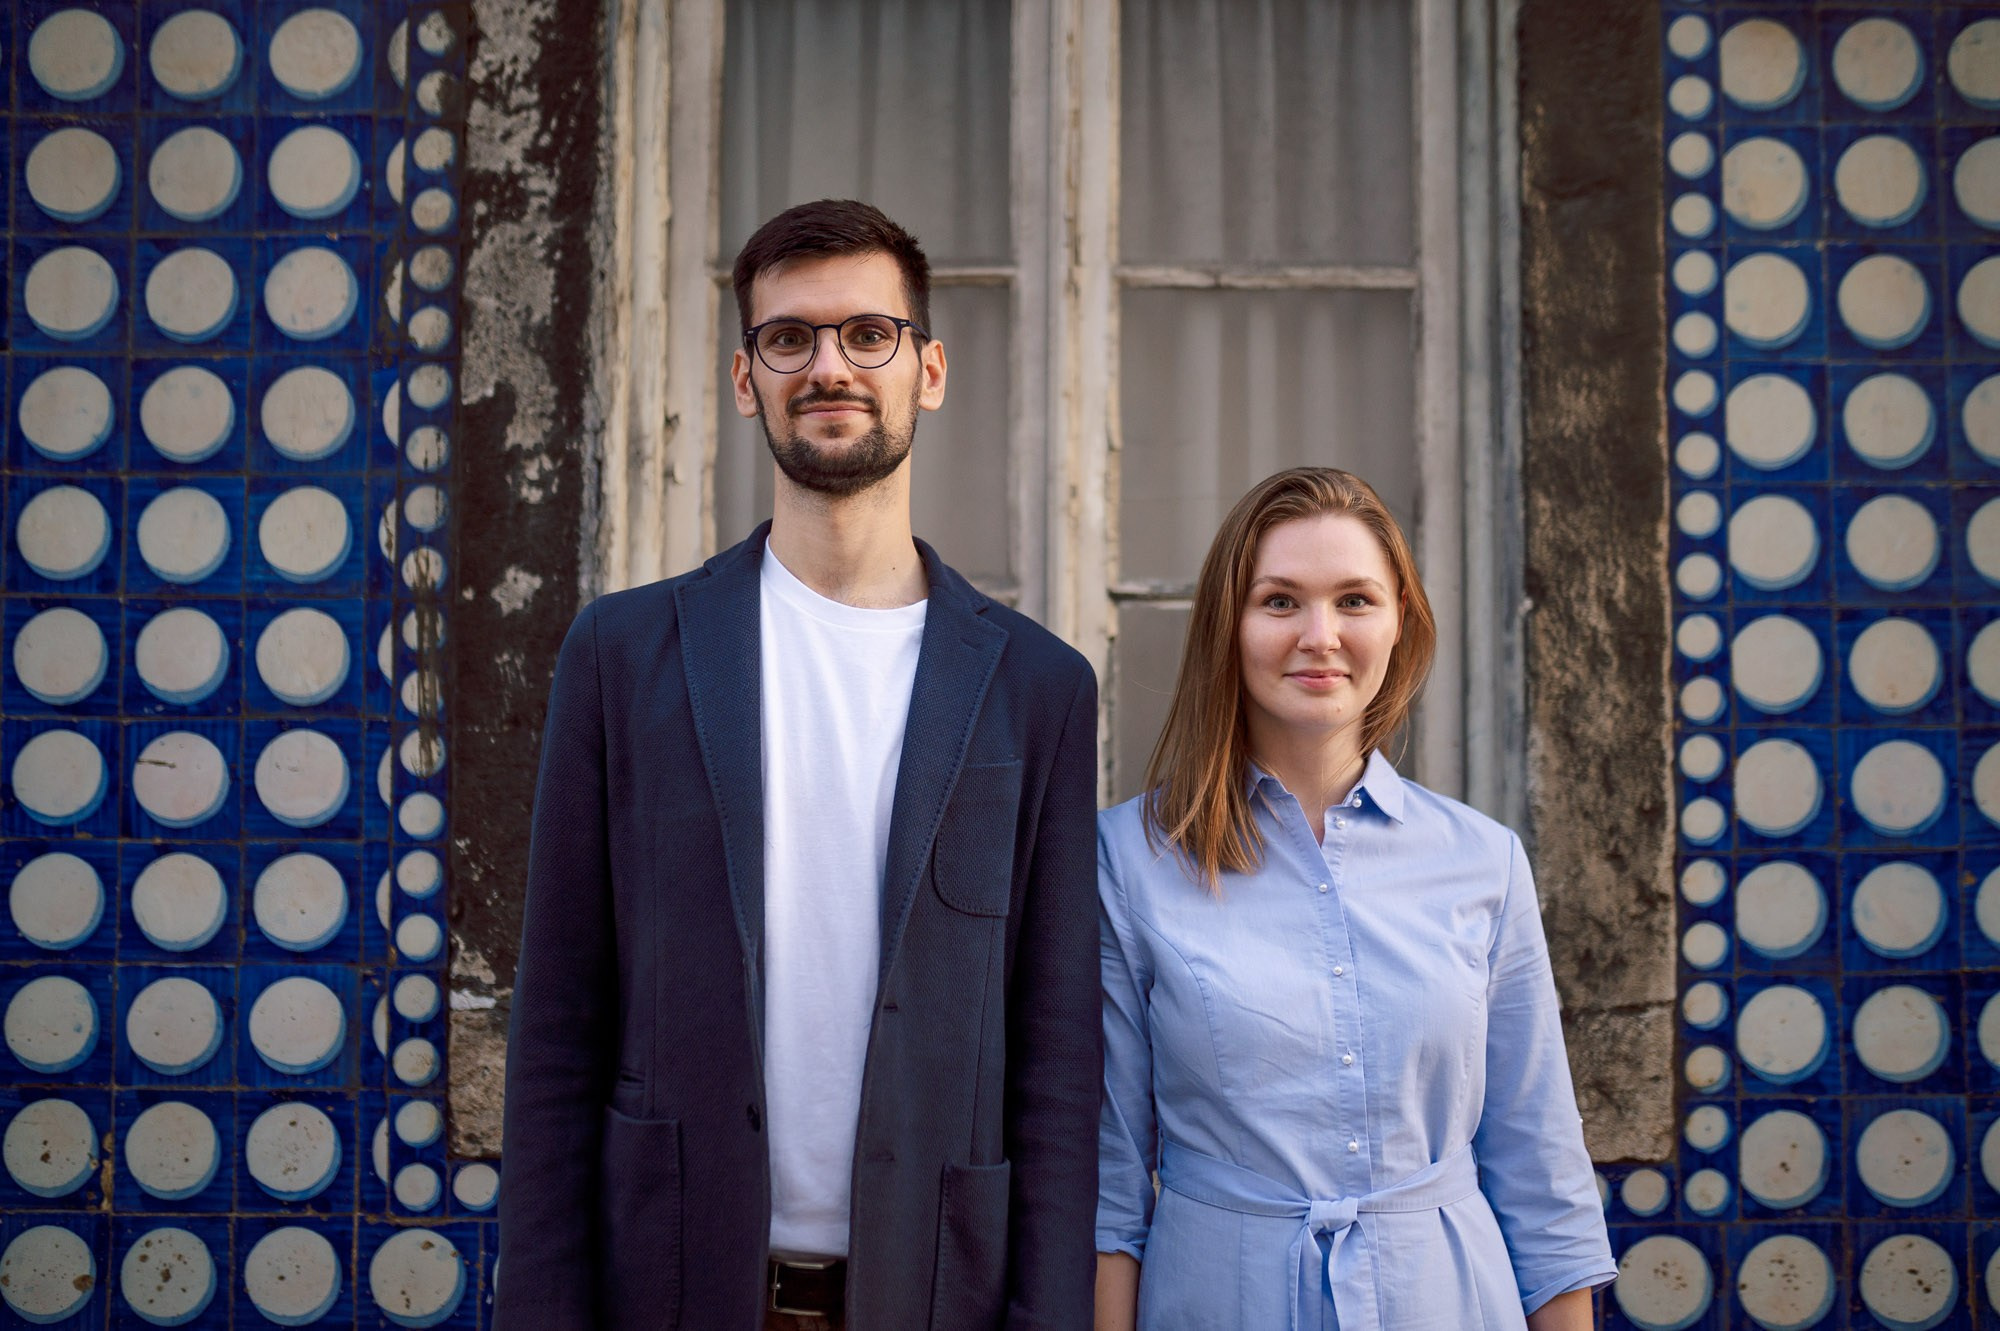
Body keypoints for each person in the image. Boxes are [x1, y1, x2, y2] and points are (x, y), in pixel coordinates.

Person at [495, 200, 1102, 1330]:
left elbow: (1058, 1063)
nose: (828, 365)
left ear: (927, 369)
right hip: (673, 1291)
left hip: (937, 1298)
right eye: (790, 338)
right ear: (744, 378)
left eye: (867, 333)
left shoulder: (1037, 688)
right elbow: (560, 1027)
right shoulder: (624, 658)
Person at [1094, 468, 1615, 1330]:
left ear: (1399, 621)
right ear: (1230, 624)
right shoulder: (1126, 860)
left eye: (1355, 600)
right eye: (1280, 601)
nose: (1320, 635)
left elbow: (1543, 1178)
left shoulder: (1485, 862)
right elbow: (1109, 1193)